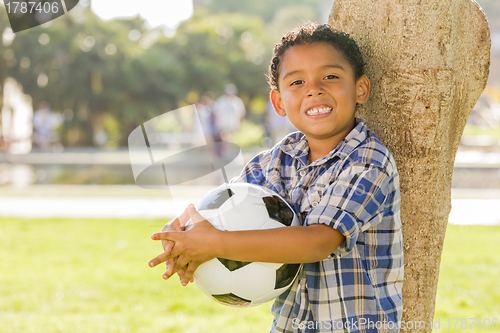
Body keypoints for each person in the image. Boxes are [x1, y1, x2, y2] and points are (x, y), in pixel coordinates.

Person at [149, 22, 403, 333]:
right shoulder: (274, 161)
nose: (314, 88)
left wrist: (216, 243)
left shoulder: (368, 161)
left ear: (360, 88)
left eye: (331, 76)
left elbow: (318, 242)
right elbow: (227, 211)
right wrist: (185, 235)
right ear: (279, 102)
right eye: (297, 82)